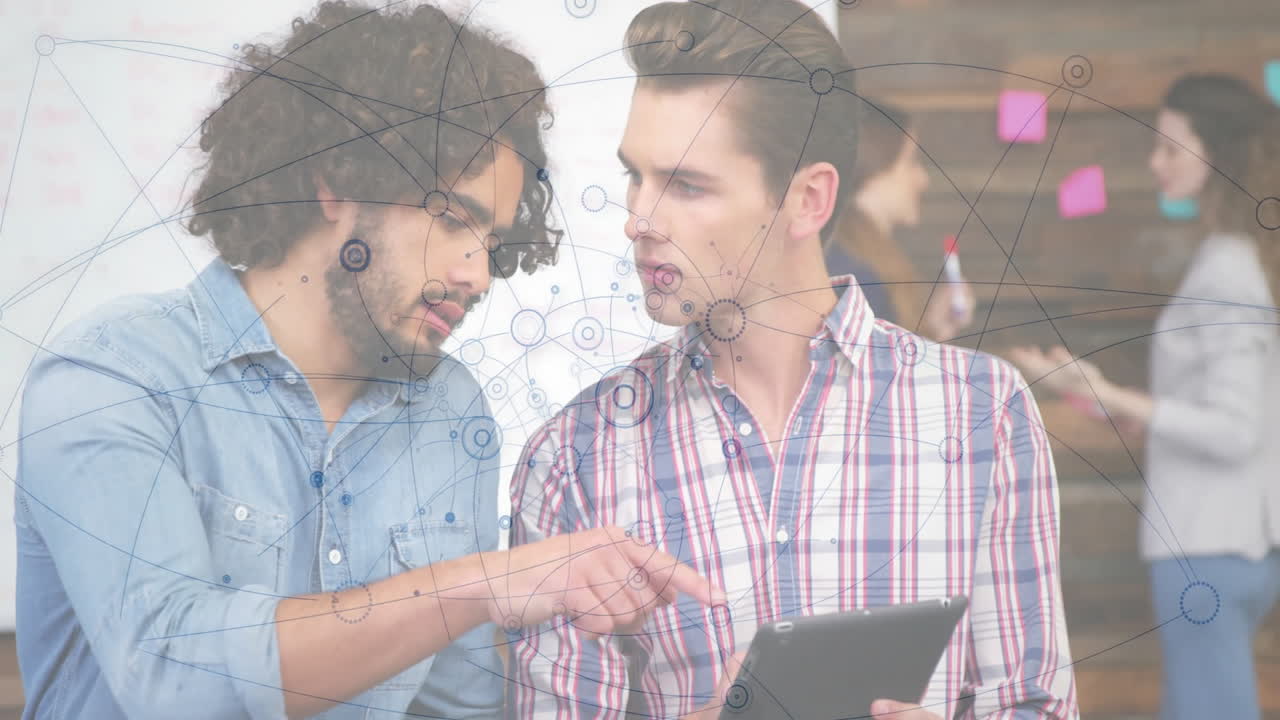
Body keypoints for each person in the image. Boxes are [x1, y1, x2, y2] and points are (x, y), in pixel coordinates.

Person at [14, 3, 720, 718]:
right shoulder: (113, 377)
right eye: (453, 218)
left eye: (492, 243)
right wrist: (481, 583)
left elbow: (456, 708)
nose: (478, 274)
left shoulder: (449, 410)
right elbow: (174, 680)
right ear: (338, 184)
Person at [505, 1, 1078, 719]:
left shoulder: (983, 413)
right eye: (635, 176)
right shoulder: (574, 456)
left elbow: (1035, 703)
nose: (638, 218)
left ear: (808, 200)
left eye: (686, 184)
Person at [1008, 73, 1280, 720]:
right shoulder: (1235, 260)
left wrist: (1113, 395)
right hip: (1222, 545)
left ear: (1217, 154)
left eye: (1169, 146)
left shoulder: (1228, 268)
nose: (1155, 162)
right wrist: (1103, 398)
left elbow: (1235, 428)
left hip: (1209, 548)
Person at [824, 101, 975, 340]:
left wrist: (935, 328)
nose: (923, 179)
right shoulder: (855, 277)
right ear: (873, 167)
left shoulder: (862, 258)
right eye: (911, 162)